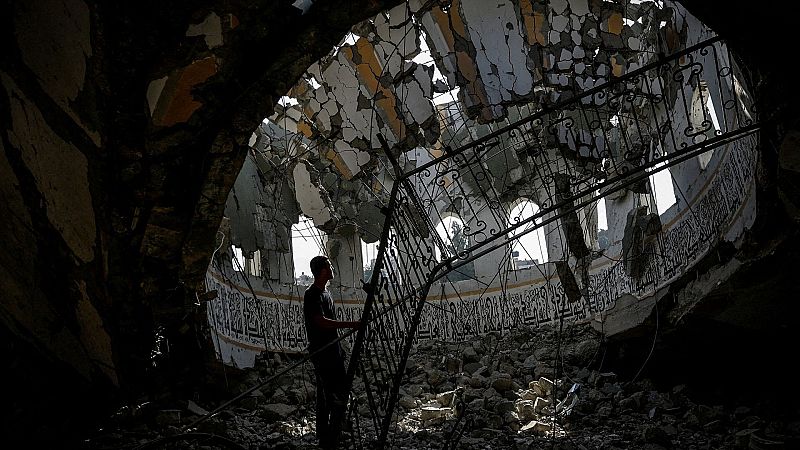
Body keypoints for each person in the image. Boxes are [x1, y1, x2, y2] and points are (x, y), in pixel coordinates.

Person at [303, 256, 360, 449]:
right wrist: (350, 325)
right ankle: (327, 434)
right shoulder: (312, 295)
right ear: (323, 270)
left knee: (335, 392)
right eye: (329, 266)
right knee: (328, 394)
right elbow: (321, 321)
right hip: (322, 351)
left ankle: (332, 431)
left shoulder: (326, 294)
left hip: (333, 350)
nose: (332, 268)